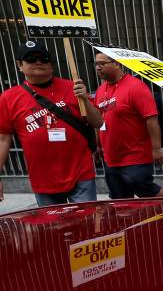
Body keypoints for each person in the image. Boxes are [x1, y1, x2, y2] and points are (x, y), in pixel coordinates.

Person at [0, 41, 103, 205]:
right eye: (31, 59)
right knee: (52, 227)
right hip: (44, 179)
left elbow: (98, 122)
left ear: (51, 65)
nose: (38, 62)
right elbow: (3, 139)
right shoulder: (8, 98)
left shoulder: (73, 87)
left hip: (80, 173)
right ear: (20, 65)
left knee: (85, 224)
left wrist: (84, 99)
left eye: (44, 58)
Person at [93, 52, 163, 199]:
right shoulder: (101, 90)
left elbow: (151, 119)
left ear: (116, 63)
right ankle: (129, 221)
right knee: (120, 199)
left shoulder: (136, 87)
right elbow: (98, 120)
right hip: (111, 157)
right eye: (96, 64)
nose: (98, 68)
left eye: (102, 64)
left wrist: (156, 148)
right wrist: (98, 145)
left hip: (135, 156)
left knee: (147, 191)